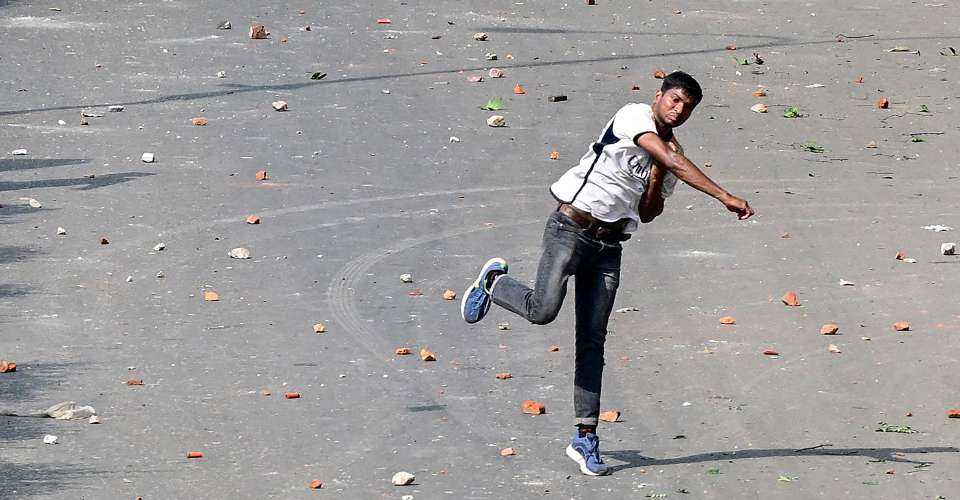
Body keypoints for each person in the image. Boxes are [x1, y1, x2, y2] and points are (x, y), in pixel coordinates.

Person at [460, 71, 755, 476]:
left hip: (609, 247)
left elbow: (649, 213)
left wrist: (654, 177)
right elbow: (668, 158)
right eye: (674, 100)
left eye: (687, 106)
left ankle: (586, 437)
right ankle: (495, 283)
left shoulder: (672, 156)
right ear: (659, 96)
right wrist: (723, 195)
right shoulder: (634, 116)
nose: (678, 109)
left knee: (592, 340)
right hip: (570, 229)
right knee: (543, 310)